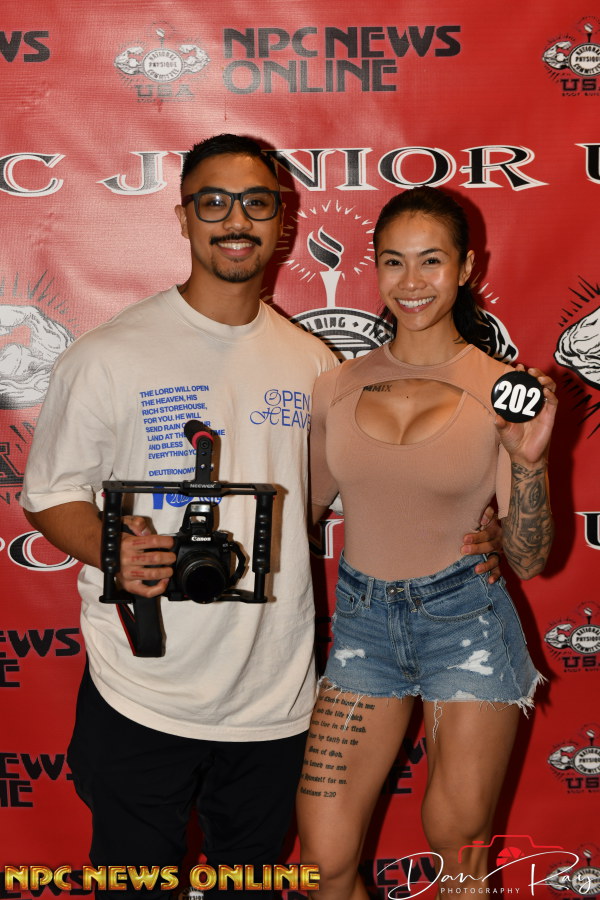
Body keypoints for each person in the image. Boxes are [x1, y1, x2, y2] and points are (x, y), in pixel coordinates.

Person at [21, 138, 501, 897]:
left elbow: (376, 481)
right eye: (213, 202)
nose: (234, 220)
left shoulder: (314, 364)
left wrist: (484, 525)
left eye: (256, 202)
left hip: (273, 700)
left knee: (249, 882)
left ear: (282, 221)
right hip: (142, 690)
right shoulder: (109, 355)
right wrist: (113, 549)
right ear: (183, 217)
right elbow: (49, 493)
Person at [297, 186, 557, 899]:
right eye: (394, 261)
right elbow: (302, 515)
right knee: (323, 860)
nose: (411, 282)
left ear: (467, 267)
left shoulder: (502, 390)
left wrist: (529, 463)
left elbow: (530, 557)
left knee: (457, 851)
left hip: (465, 627)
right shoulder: (335, 386)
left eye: (431, 261)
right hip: (362, 631)